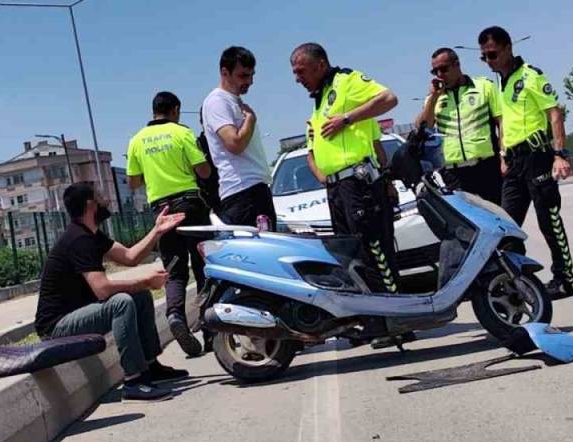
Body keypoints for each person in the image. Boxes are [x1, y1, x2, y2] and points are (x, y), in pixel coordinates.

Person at [34, 182, 189, 401]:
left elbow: (130, 257)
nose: (106, 199)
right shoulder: (79, 240)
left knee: (140, 297)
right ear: (91, 205)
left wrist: (157, 231)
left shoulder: (92, 235)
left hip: (76, 315)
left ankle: (150, 366)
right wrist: (146, 280)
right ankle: (134, 380)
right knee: (122, 302)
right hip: (56, 326)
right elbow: (102, 289)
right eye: (100, 196)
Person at [290, 42, 400, 293]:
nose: (297, 79)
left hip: (358, 185)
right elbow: (313, 153)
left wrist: (347, 118)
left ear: (320, 65)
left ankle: (393, 319)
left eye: (301, 71)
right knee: (352, 258)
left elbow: (389, 98)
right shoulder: (319, 102)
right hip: (337, 189)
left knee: (374, 252)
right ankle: (372, 317)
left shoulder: (346, 81)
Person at [478, 26, 573, 298]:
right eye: (484, 57)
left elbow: (554, 114)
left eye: (493, 54)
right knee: (505, 225)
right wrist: (502, 156)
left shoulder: (530, 76)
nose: (489, 61)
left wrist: (560, 155)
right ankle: (514, 281)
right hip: (513, 163)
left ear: (509, 48)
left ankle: (563, 278)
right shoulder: (501, 84)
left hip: (537, 158)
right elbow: (504, 124)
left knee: (549, 220)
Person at [126, 91, 213, 358]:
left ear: (153, 111)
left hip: (162, 212)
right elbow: (204, 171)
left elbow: (133, 182)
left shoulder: (136, 141)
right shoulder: (181, 133)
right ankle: (210, 329)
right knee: (203, 266)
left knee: (174, 270)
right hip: (190, 205)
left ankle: (175, 314)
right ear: (175, 109)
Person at [202, 46, 278, 229]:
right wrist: (250, 120)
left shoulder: (233, 101)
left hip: (254, 190)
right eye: (243, 76)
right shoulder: (216, 102)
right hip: (242, 192)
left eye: (252, 75)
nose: (250, 81)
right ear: (224, 72)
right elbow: (234, 143)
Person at [415, 47, 503, 204]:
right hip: (454, 174)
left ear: (457, 65)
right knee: (468, 225)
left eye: (443, 69)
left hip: (487, 167)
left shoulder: (484, 87)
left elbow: (501, 123)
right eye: (435, 72)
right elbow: (422, 127)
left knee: (502, 220)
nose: (440, 75)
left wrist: (504, 156)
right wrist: (433, 97)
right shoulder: (434, 98)